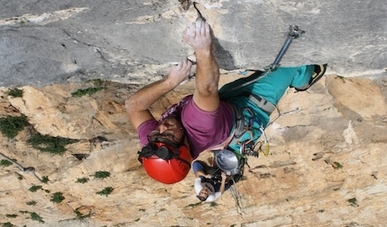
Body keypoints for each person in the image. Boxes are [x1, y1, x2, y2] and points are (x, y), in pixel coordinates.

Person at [125, 17, 326, 184]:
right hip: (253, 107)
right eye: (168, 136)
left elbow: (133, 106)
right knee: (293, 66)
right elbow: (206, 88)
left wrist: (169, 82)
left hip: (224, 105)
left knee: (227, 88)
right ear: (184, 147)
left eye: (156, 135)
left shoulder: (155, 143)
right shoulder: (200, 127)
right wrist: (202, 48)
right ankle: (302, 80)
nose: (161, 128)